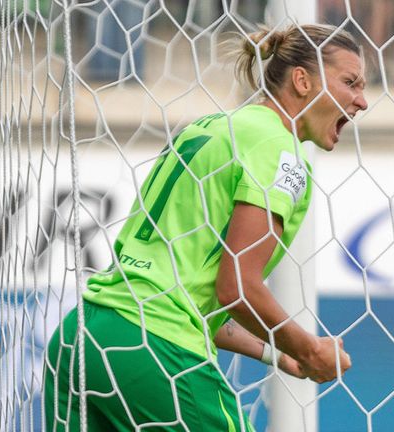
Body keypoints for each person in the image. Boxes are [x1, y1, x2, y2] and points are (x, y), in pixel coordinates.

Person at [43, 23, 368, 431]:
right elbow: (236, 289)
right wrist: (310, 349)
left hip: (84, 337)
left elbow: (188, 297)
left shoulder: (211, 126)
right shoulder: (278, 150)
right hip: (157, 353)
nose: (362, 101)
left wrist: (279, 354)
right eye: (350, 82)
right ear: (302, 81)